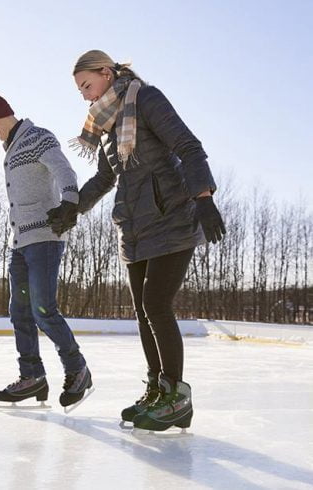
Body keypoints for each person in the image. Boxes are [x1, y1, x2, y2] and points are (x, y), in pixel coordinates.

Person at [69, 50, 226, 431]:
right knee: (142, 311)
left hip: (171, 217)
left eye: (88, 86)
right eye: (80, 92)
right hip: (134, 226)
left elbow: (188, 146)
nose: (86, 97)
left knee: (156, 304)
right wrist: (72, 208)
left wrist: (203, 198)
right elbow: (106, 179)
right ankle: (158, 389)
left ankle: (177, 397)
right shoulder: (106, 123)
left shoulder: (146, 98)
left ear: (106, 73)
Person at [0, 89, 92, 410]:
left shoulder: (37, 137)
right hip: (20, 242)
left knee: (43, 309)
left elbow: (64, 170)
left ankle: (77, 369)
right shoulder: (9, 149)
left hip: (45, 238)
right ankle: (33, 377)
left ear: (1, 114)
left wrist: (69, 203)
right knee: (20, 313)